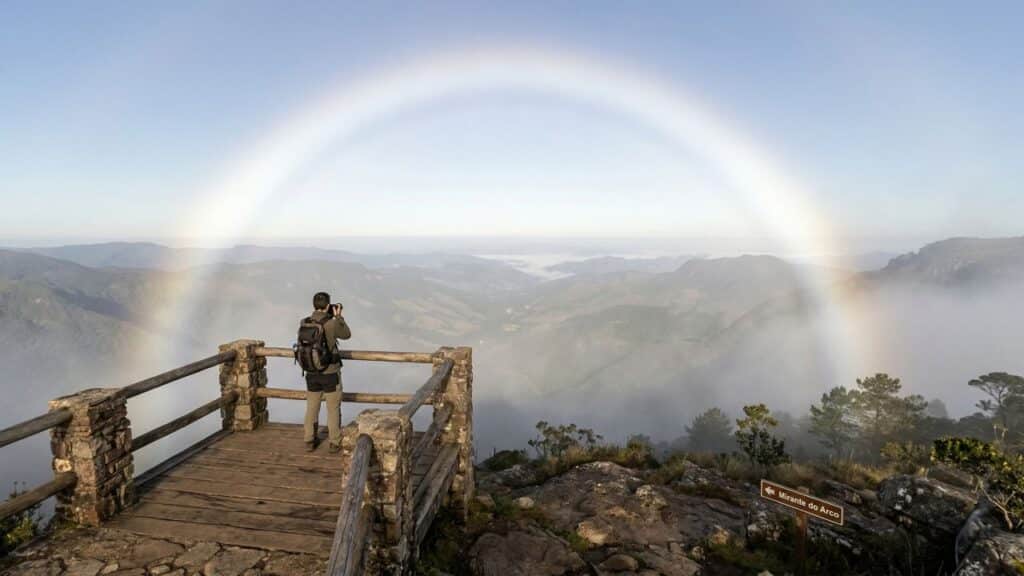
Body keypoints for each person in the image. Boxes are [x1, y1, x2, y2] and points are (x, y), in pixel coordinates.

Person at [302, 291, 351, 452]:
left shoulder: (304, 322)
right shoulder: (331, 323)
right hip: (330, 372)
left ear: (314, 305)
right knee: (333, 408)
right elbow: (346, 334)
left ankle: (309, 440)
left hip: (311, 371)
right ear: (329, 305)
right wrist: (338, 317)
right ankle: (334, 442)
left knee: (312, 407)